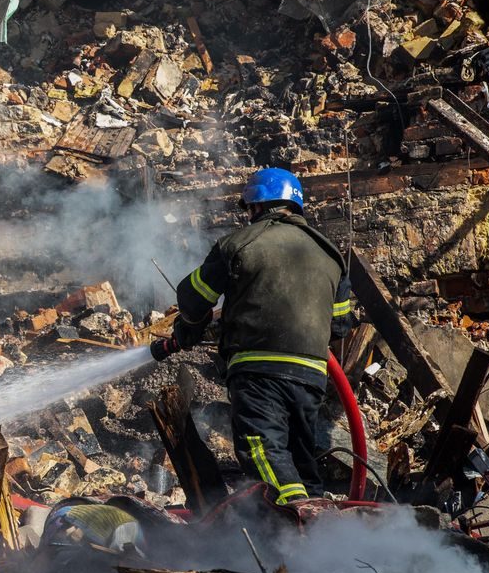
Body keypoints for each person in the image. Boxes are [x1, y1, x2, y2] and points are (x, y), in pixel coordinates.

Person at [150, 167, 353, 504]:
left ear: (256, 207)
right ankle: (320, 532)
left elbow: (193, 297)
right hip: (311, 375)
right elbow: (341, 326)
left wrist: (188, 329)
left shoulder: (239, 243)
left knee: (261, 449)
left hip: (259, 369)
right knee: (300, 458)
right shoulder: (331, 254)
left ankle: (299, 516)